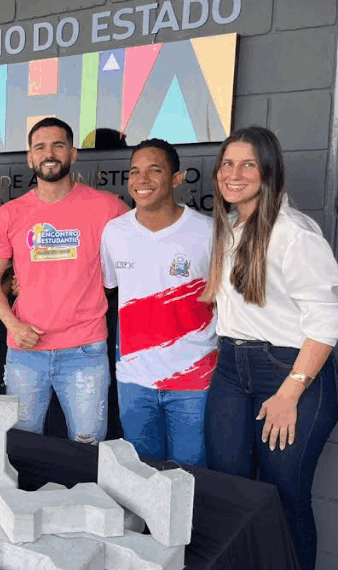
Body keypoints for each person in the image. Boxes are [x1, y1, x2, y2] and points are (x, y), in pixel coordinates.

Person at [200, 126, 338, 570]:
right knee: (229, 488)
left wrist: (289, 392)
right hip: (232, 368)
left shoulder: (294, 233)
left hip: (289, 371)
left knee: (284, 497)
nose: (235, 173)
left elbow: (327, 320)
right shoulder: (228, 226)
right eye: (228, 163)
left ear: (269, 172)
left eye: (248, 164)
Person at [0, 117, 129, 443]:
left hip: (85, 352)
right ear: (30, 157)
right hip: (25, 350)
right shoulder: (10, 214)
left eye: (58, 145)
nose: (50, 153)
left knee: (88, 445)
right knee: (23, 444)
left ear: (73, 154)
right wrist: (12, 324)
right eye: (40, 147)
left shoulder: (108, 208)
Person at [100, 138, 216, 466]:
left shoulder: (207, 232)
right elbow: (110, 288)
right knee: (143, 476)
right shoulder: (114, 232)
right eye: (135, 171)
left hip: (194, 381)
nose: (142, 179)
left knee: (190, 478)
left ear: (177, 178)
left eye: (155, 170)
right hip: (135, 380)